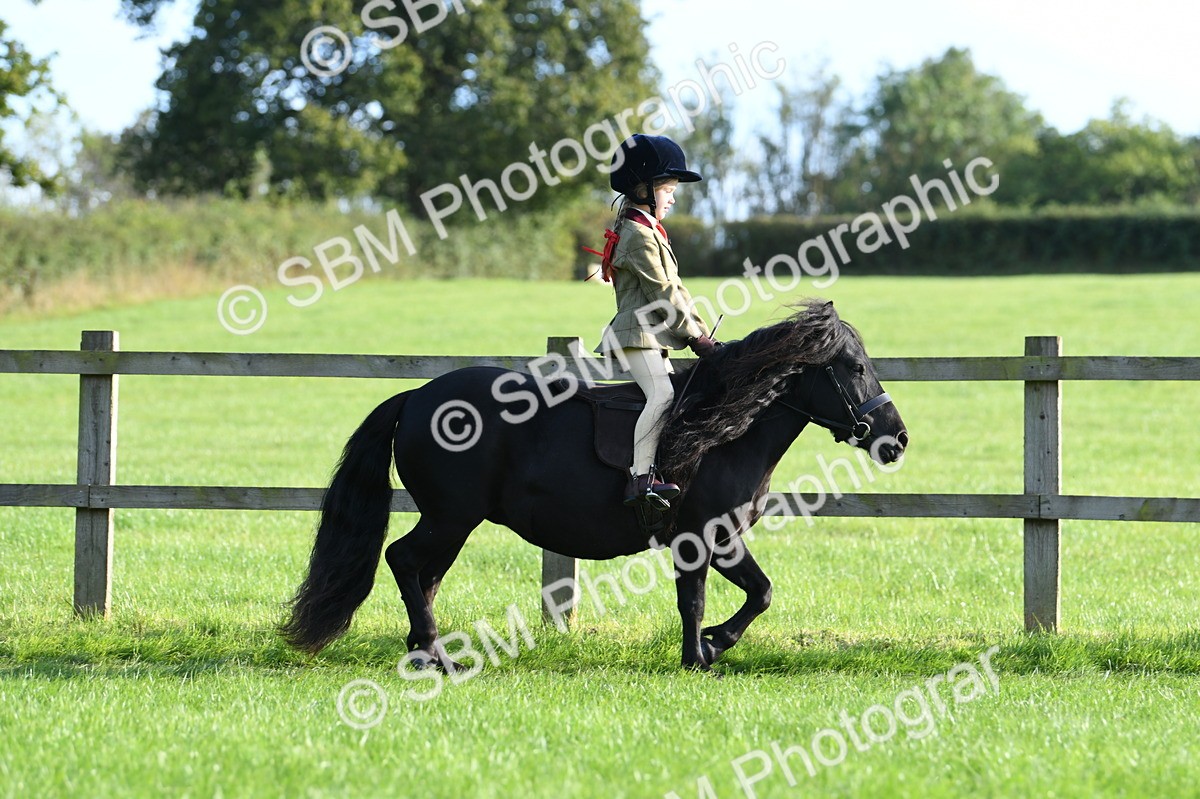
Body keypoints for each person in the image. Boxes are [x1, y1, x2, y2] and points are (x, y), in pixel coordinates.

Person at [593, 134, 720, 510]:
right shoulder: (637, 235)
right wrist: (697, 338)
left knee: (676, 396)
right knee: (663, 396)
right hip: (636, 335)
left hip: (650, 336)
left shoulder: (646, 230)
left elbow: (677, 290)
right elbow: (664, 293)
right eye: (668, 189)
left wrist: (701, 332)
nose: (673, 197)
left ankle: (664, 470)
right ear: (643, 189)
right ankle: (641, 479)